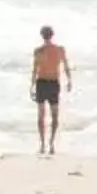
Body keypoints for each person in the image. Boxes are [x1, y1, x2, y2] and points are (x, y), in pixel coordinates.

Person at [31, 26, 71, 155]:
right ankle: (51, 143)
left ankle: (43, 144)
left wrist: (31, 86)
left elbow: (34, 69)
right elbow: (66, 66)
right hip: (53, 83)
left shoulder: (38, 51)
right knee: (54, 115)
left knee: (42, 116)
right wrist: (69, 80)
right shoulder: (59, 50)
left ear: (42, 35)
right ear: (52, 35)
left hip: (42, 83)